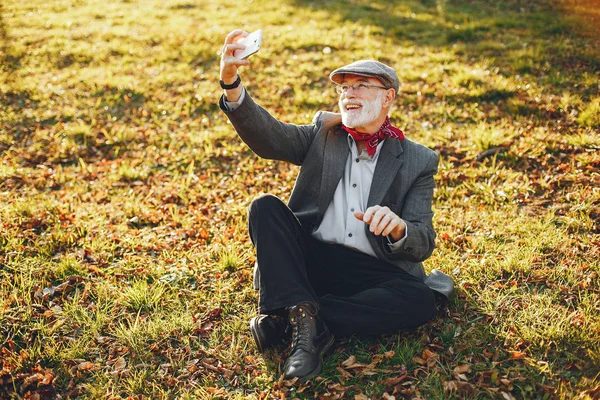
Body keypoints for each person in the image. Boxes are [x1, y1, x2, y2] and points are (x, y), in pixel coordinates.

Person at [218, 29, 454, 381]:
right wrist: (231, 84)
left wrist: (398, 228)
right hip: (313, 257)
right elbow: (269, 139)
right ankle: (306, 322)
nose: (349, 94)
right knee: (264, 206)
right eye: (344, 88)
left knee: (418, 300)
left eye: (360, 85)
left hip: (371, 269)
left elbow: (423, 239)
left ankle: (300, 316)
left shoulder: (418, 160)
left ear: (387, 97)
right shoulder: (323, 132)